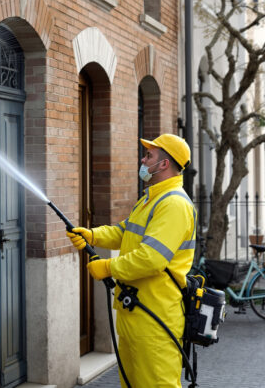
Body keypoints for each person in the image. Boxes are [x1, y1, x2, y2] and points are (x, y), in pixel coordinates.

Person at [67, 133, 196, 388]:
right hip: (135, 311)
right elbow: (125, 232)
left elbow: (151, 259)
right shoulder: (151, 198)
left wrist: (108, 267)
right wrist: (93, 235)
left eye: (149, 155)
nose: (143, 159)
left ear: (164, 164)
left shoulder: (174, 204)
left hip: (155, 316)